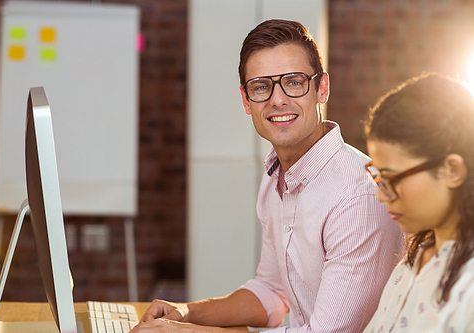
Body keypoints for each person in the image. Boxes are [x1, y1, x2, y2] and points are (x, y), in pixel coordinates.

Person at [130, 19, 403, 333]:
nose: (277, 99)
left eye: (294, 82)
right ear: (246, 100)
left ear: (321, 88)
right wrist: (185, 313)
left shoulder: (357, 196)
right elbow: (271, 293)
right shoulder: (278, 172)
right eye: (261, 86)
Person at [363, 73, 474, 332]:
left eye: (391, 178)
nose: (381, 195)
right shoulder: (416, 257)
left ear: (452, 170)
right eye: (378, 176)